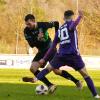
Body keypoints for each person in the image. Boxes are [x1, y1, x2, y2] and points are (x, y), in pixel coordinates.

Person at [32, 10, 100, 98]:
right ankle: (95, 95)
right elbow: (72, 27)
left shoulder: (59, 30)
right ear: (72, 17)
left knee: (48, 68)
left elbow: (52, 47)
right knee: (85, 75)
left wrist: (44, 58)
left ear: (64, 18)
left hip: (60, 55)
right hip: (73, 55)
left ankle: (36, 78)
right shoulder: (71, 24)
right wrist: (80, 17)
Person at [23, 14, 82, 93]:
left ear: (34, 21)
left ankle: (77, 82)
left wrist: (57, 36)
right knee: (33, 69)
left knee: (56, 71)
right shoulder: (26, 31)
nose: (28, 26)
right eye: (26, 24)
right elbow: (31, 44)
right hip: (41, 51)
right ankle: (50, 85)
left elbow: (56, 23)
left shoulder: (43, 25)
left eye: (29, 24)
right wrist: (37, 38)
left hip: (50, 49)